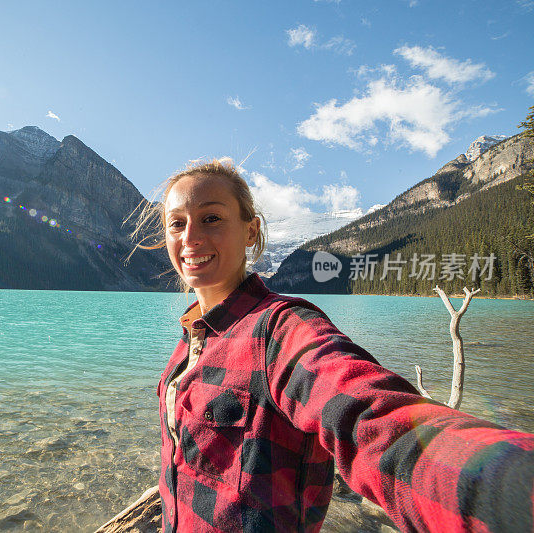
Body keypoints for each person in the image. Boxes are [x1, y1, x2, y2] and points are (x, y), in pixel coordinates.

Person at [127, 158, 534, 532]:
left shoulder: (281, 330)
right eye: (176, 223)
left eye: (211, 218)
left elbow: (366, 414)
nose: (191, 237)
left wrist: (504, 486)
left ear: (250, 231)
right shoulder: (194, 335)